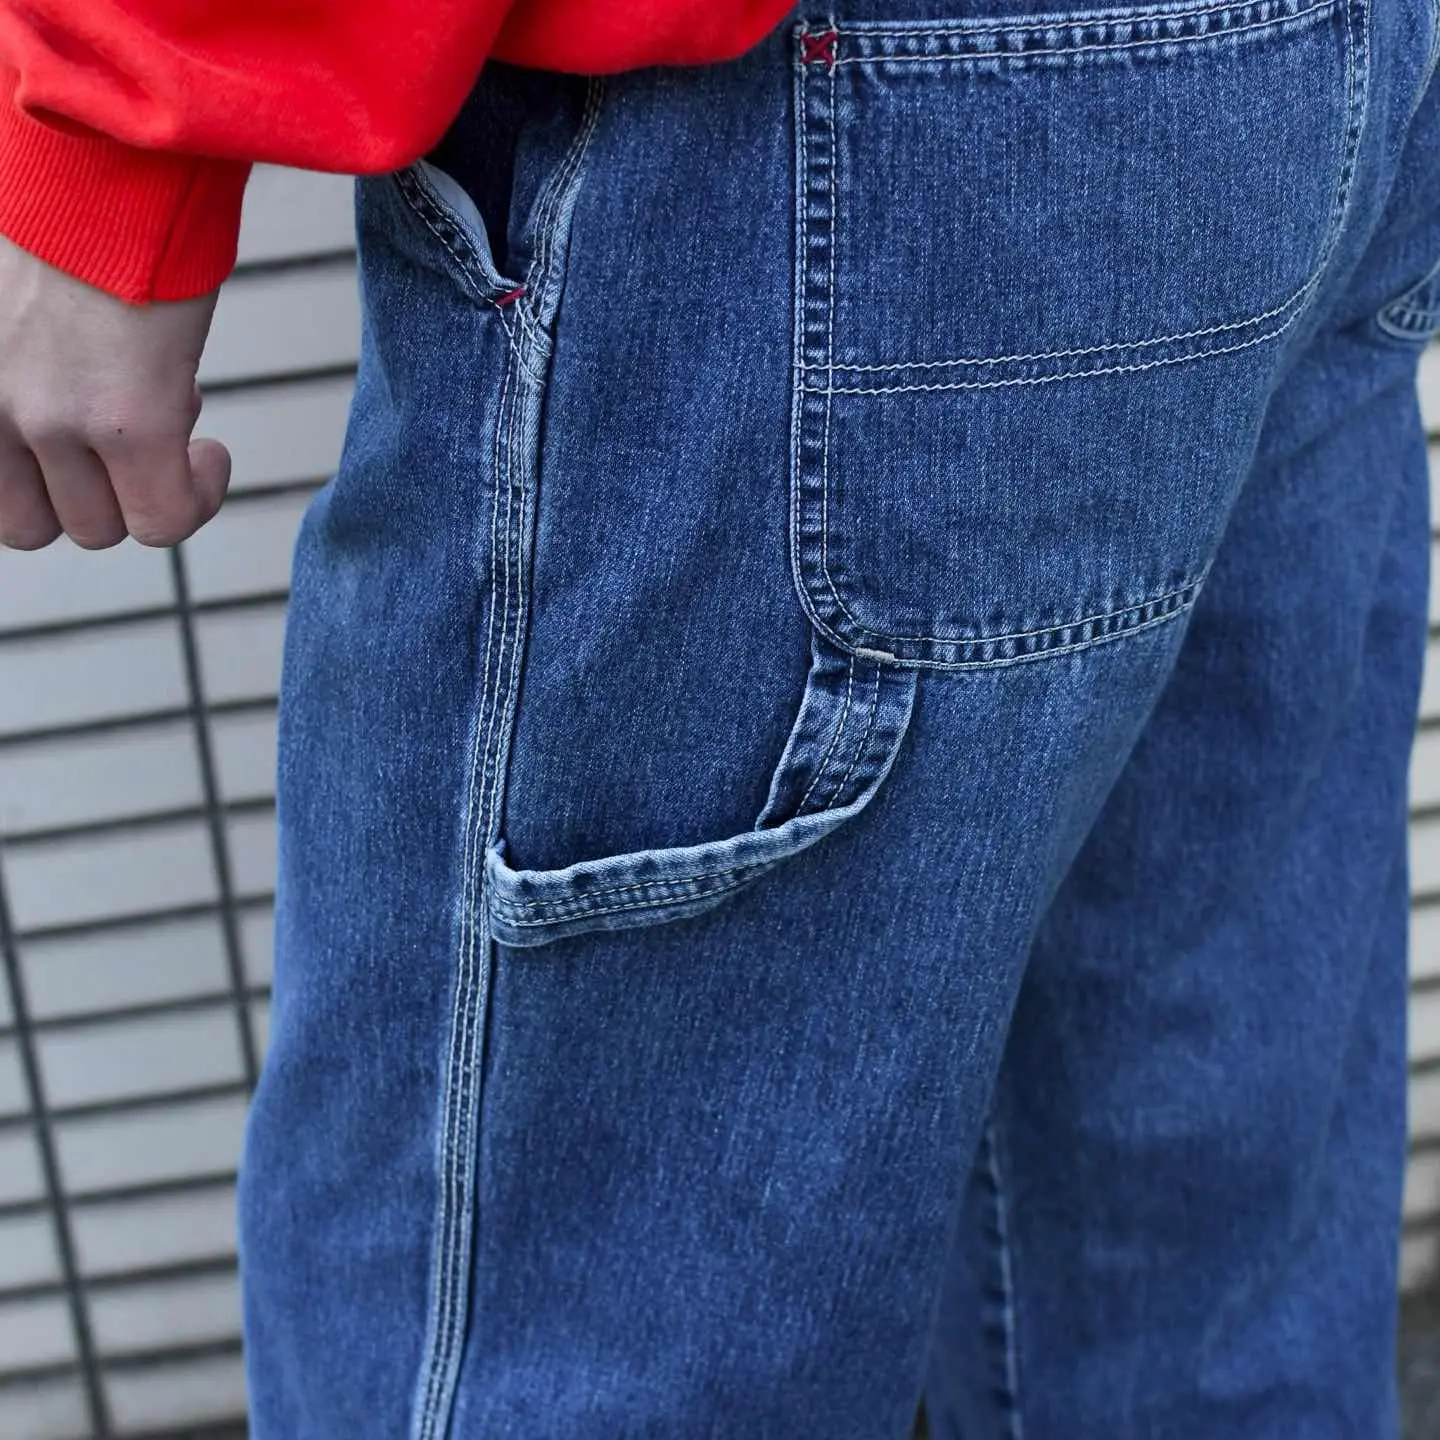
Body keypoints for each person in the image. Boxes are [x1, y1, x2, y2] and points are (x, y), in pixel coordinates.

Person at [1, 1, 1437, 1435]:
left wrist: (115, 141)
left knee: (576, 1355)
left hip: (837, 116)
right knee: (1191, 1276)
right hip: (1323, 71)